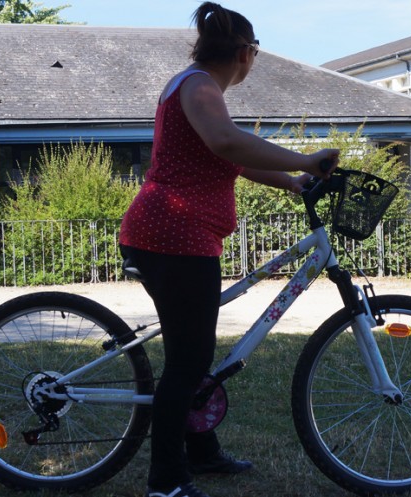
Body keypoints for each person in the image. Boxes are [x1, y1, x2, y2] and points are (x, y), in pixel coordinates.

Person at [118, 3, 339, 497]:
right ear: (245, 52)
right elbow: (227, 143)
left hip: (176, 234)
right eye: (254, 54)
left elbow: (232, 160)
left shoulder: (197, 87)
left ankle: (202, 453)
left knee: (192, 355)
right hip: (174, 235)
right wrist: (307, 157)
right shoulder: (198, 87)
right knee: (186, 362)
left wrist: (296, 183)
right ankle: (167, 483)